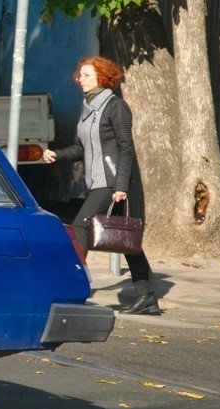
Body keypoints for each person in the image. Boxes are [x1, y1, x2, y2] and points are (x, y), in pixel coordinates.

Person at [42, 55, 160, 315]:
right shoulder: (87, 108)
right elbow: (79, 148)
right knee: (125, 240)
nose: (79, 80)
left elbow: (126, 148)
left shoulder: (116, 107)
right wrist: (57, 155)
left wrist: (121, 186)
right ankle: (148, 296)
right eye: (79, 75)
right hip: (98, 181)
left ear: (102, 77)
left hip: (111, 182)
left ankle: (71, 290)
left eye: (86, 75)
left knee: (79, 228)